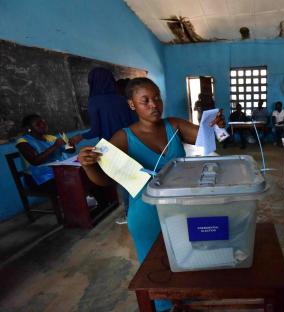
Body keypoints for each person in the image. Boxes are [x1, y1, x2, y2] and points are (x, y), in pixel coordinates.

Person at [78, 77, 224, 312]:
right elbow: (105, 180)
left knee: (189, 257)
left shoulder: (174, 126)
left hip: (182, 208)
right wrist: (89, 166)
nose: (154, 105)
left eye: (157, 98)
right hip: (147, 214)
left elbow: (206, 137)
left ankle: (187, 300)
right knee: (157, 270)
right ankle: (166, 306)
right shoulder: (123, 138)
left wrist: (214, 124)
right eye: (145, 100)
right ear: (132, 105)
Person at [71, 67, 137, 145]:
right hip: (131, 141)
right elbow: (135, 121)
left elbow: (95, 131)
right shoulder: (123, 98)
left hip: (112, 145)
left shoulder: (94, 101)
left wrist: (80, 136)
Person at [16, 114, 72, 192]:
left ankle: (81, 201)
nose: (43, 125)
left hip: (59, 172)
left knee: (86, 173)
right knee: (71, 182)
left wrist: (68, 141)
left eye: (44, 122)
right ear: (29, 128)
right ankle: (74, 202)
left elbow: (71, 150)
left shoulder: (51, 137)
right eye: (38, 124)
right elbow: (35, 161)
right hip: (38, 178)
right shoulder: (23, 141)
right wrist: (55, 146)